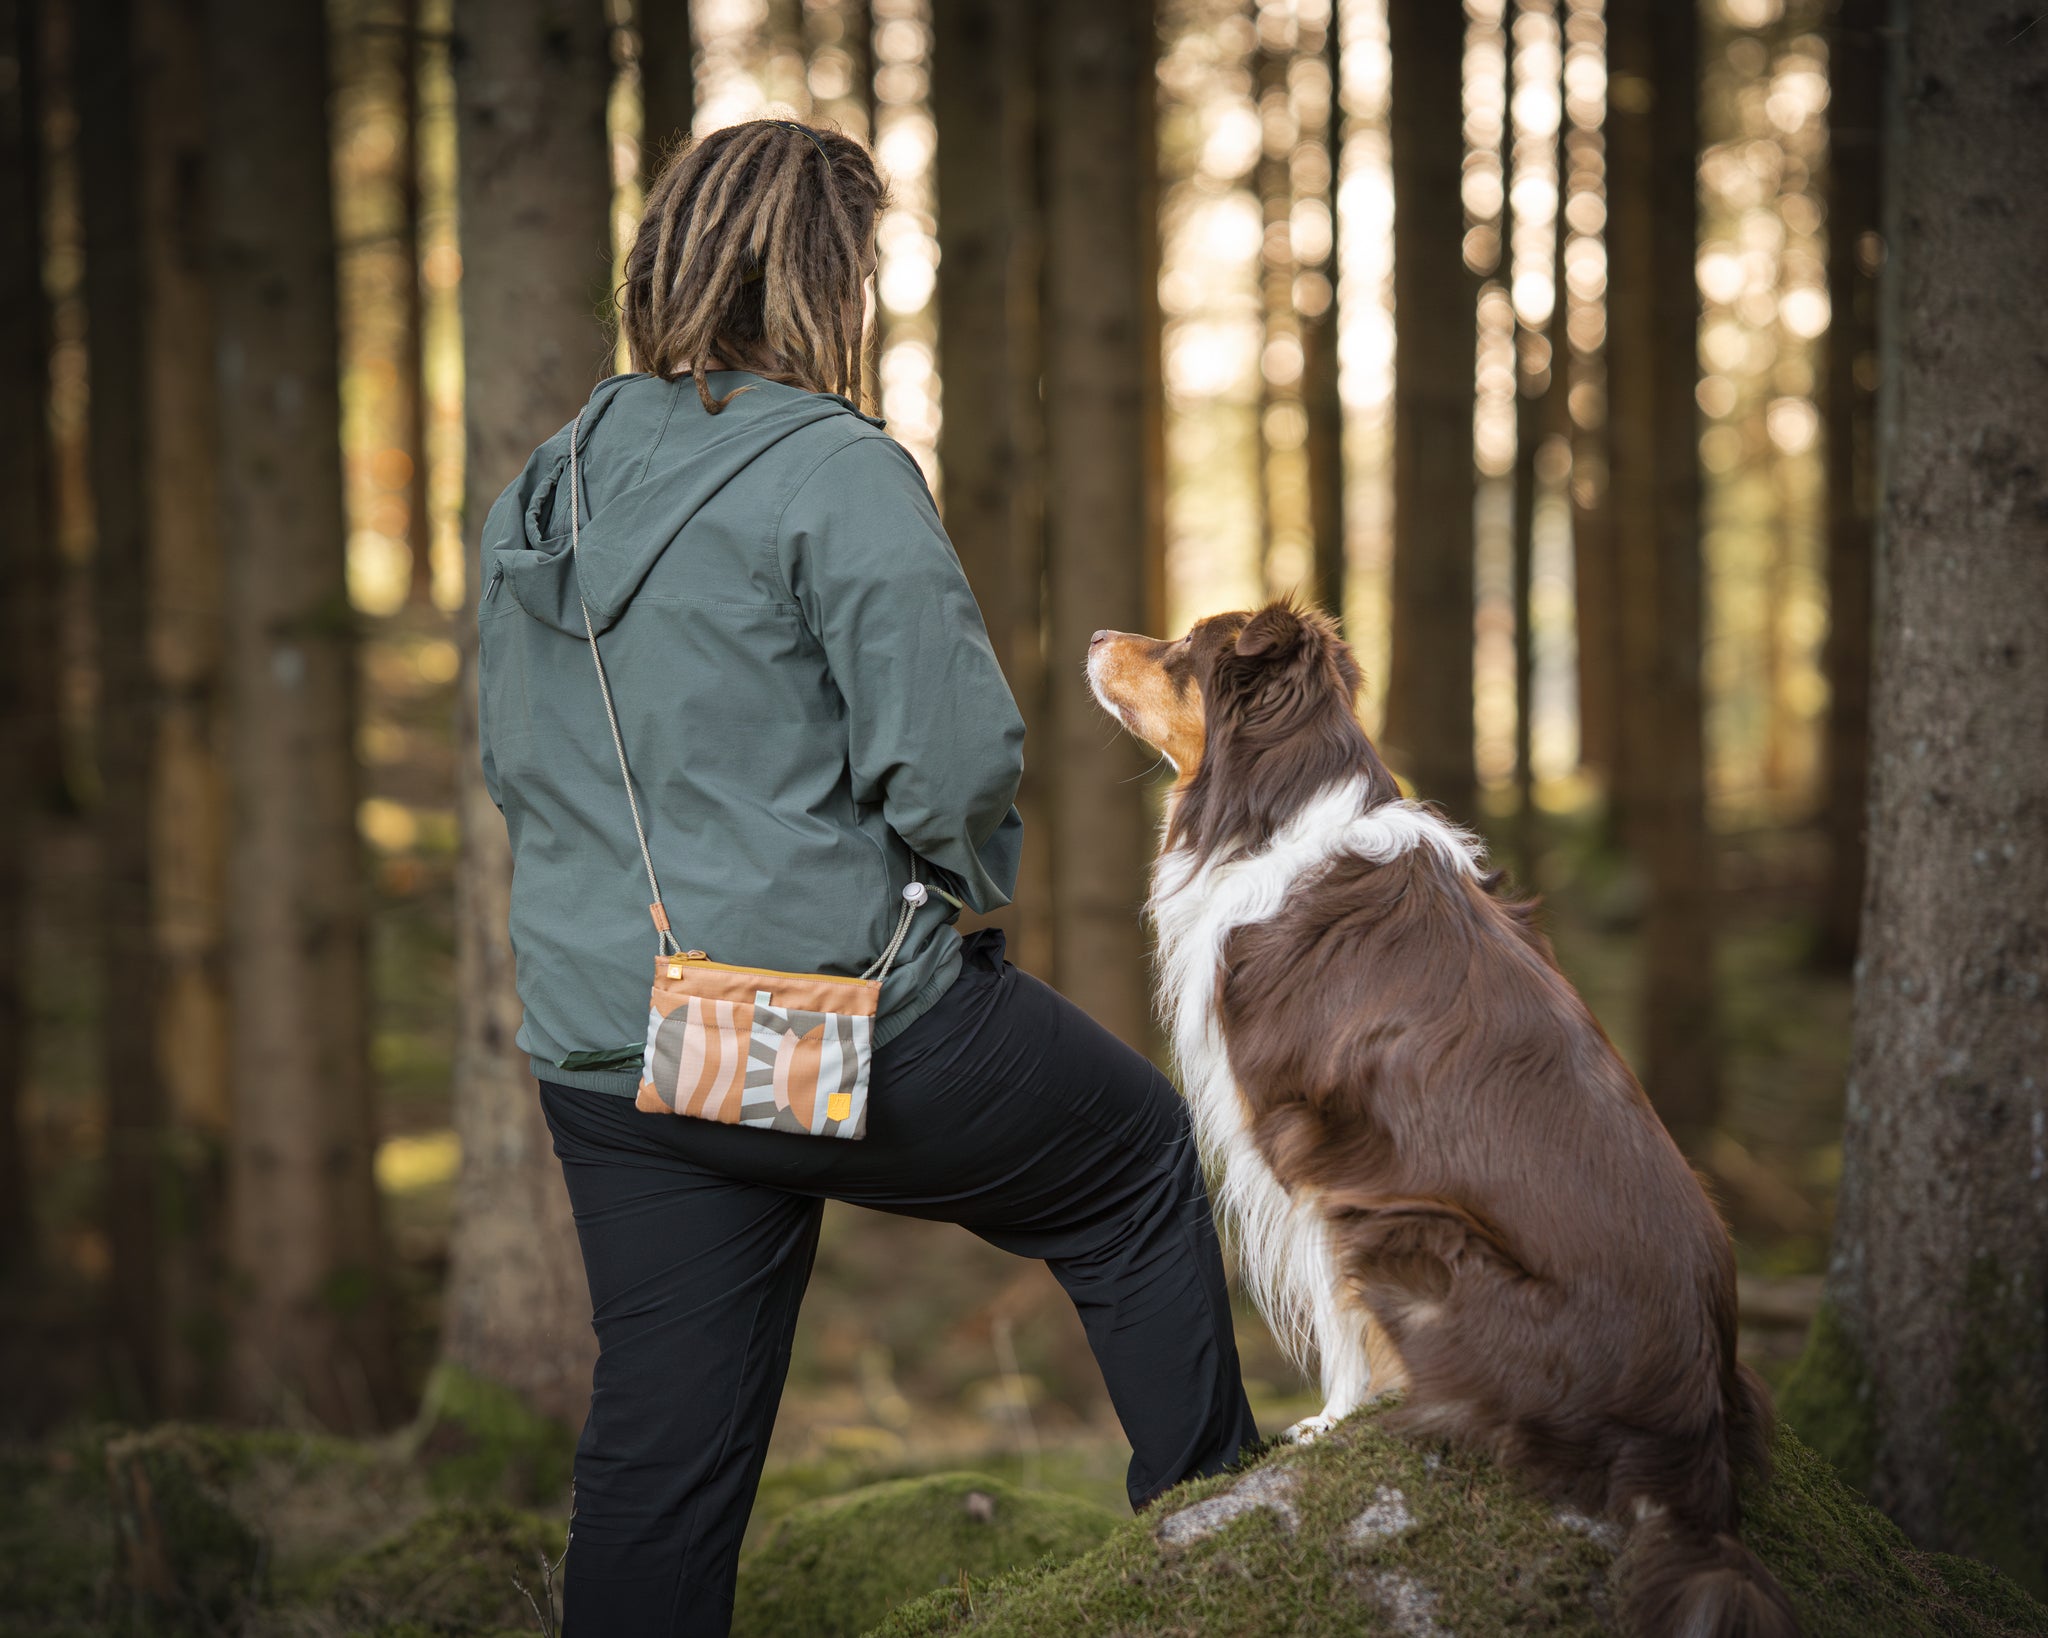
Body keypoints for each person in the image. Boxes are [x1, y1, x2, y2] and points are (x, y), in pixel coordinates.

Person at [477, 118, 1260, 1638]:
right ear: (830, 277)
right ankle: (1230, 1553)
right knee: (1136, 1161)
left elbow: (518, 757)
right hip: (828, 1022)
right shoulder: (836, 471)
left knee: (663, 1457)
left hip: (616, 1049)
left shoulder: (549, 482)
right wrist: (954, 900)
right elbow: (955, 759)